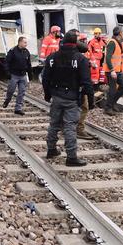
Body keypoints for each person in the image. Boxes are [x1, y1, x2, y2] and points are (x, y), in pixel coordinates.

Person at [42, 30, 92, 166]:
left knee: (54, 124)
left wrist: (47, 94)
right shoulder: (81, 59)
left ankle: (51, 149)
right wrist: (91, 101)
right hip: (72, 97)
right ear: (75, 42)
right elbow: (87, 82)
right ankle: (71, 157)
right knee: (70, 127)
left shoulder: (52, 57)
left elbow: (45, 79)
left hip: (56, 95)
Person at [3, 36, 33, 115]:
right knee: (11, 91)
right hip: (14, 75)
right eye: (25, 42)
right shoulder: (13, 51)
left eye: (26, 42)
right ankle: (7, 100)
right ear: (20, 42)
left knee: (22, 92)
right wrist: (7, 73)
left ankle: (18, 108)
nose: (26, 44)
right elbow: (6, 62)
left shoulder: (26, 52)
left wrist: (30, 75)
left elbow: (29, 64)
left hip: (23, 75)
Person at [103, 27, 123, 116]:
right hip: (111, 71)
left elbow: (116, 55)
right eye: (122, 32)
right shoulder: (112, 42)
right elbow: (108, 57)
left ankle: (112, 103)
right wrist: (112, 70)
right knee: (112, 90)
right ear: (120, 33)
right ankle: (108, 108)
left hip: (118, 70)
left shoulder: (117, 42)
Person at [76, 35, 97, 140]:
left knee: (78, 107)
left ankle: (72, 128)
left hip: (75, 86)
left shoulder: (82, 53)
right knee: (83, 107)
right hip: (80, 86)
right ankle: (78, 129)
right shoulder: (80, 56)